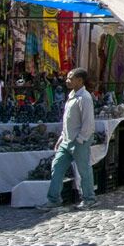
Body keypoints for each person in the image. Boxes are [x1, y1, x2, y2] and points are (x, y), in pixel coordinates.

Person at [41, 67, 97, 210]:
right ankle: (53, 199)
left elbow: (88, 123)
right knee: (57, 166)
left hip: (79, 141)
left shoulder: (84, 98)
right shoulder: (72, 95)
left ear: (80, 80)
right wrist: (62, 137)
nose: (67, 80)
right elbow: (68, 120)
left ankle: (89, 198)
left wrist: (80, 139)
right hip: (67, 140)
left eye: (70, 78)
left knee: (84, 170)